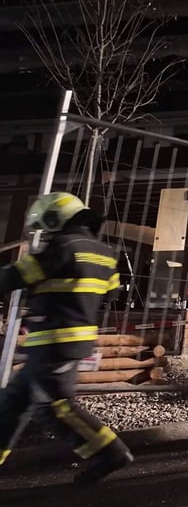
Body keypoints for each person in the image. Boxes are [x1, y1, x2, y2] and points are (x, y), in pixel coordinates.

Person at [0, 192, 133, 486]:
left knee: (54, 408)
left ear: (54, 218)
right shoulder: (104, 252)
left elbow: (16, 277)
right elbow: (112, 292)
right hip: (70, 341)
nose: (43, 231)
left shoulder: (62, 246)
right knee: (12, 403)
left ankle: (111, 453)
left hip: (53, 342)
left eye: (44, 224)